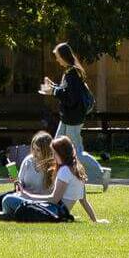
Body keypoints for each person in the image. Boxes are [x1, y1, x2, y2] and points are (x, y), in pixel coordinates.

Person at [42, 42, 107, 185]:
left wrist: (53, 91)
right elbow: (66, 92)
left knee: (76, 152)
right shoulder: (70, 72)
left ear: (64, 56)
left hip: (73, 118)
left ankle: (101, 174)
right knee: (57, 146)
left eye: (58, 56)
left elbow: (70, 98)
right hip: (68, 117)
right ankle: (60, 179)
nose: (57, 60)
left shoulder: (72, 74)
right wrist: (53, 87)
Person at [7, 134, 105, 223]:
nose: (53, 156)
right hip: (59, 212)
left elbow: (54, 199)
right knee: (13, 201)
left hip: (54, 211)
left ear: (61, 153)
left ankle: (10, 215)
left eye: (54, 153)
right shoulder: (77, 168)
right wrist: (95, 220)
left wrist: (28, 196)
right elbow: (84, 201)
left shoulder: (65, 171)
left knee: (9, 199)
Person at [0, 132, 58, 216]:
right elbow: (19, 187)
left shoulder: (54, 166)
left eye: (38, 150)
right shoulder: (28, 161)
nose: (34, 153)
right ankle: (12, 213)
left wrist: (31, 196)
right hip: (24, 197)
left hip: (42, 201)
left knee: (8, 200)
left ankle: (11, 215)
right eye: (33, 149)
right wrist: (16, 181)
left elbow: (53, 195)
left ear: (46, 151)